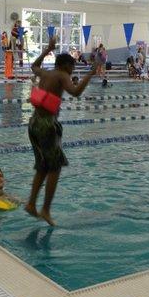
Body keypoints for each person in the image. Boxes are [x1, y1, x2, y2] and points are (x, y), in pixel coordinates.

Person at [26, 36, 96, 226]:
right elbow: (75, 92)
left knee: (43, 166)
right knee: (55, 167)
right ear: (66, 66)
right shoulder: (61, 75)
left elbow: (33, 65)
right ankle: (46, 209)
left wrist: (48, 49)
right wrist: (89, 75)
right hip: (47, 125)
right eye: (72, 67)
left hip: (34, 123)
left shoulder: (46, 73)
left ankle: (32, 203)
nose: (73, 71)